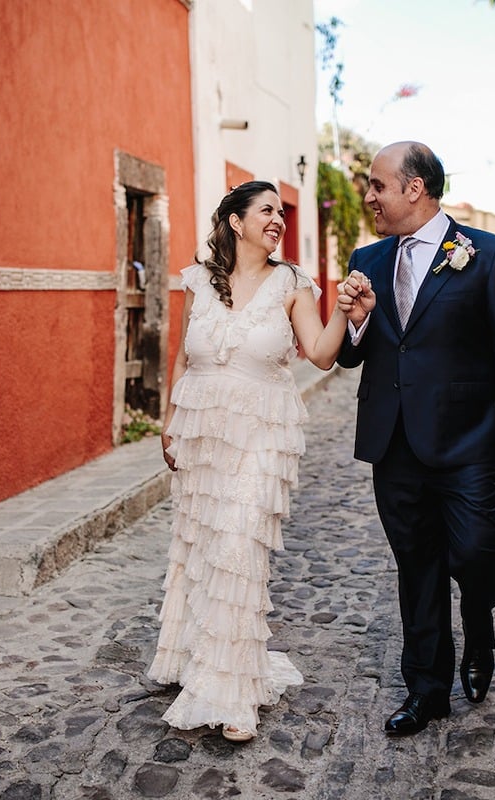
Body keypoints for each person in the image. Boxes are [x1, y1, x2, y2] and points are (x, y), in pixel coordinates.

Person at [336, 141, 495, 736]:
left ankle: (478, 620)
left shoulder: (489, 255)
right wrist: (359, 321)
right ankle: (426, 690)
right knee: (417, 566)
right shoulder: (366, 260)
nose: (369, 196)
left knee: (474, 555)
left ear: (414, 188)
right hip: (393, 443)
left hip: (468, 442)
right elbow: (355, 355)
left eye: (377, 185)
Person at [147, 181, 349, 743]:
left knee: (239, 549)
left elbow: (323, 353)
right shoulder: (200, 282)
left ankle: (232, 692)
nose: (278, 220)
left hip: (261, 436)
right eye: (266, 211)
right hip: (204, 434)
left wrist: (349, 312)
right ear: (236, 222)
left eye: (280, 213)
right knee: (202, 546)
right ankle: (195, 658)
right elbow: (183, 358)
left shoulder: (291, 284)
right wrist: (170, 421)